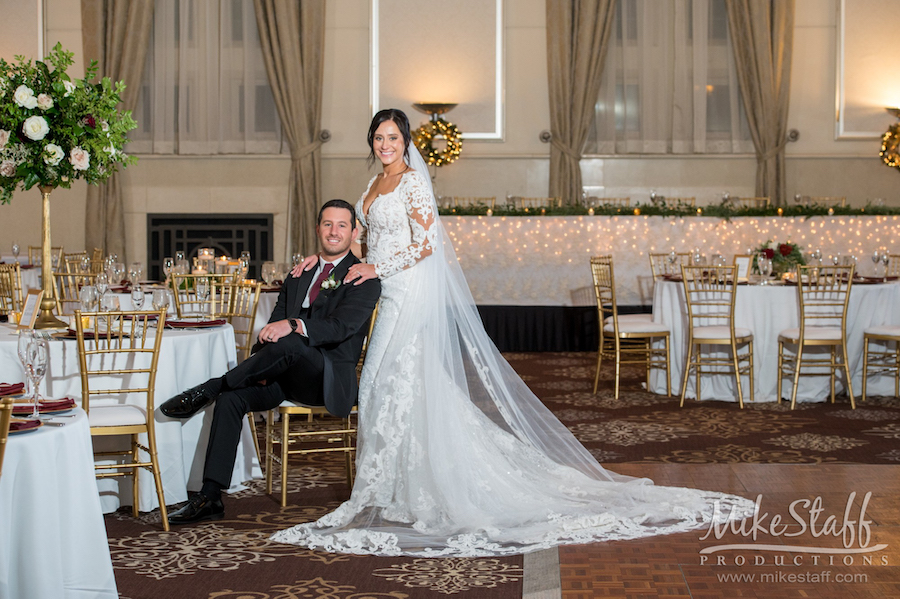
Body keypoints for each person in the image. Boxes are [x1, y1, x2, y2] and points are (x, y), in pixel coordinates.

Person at [270, 109, 754, 556]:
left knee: (388, 381)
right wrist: (330, 258)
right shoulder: (373, 183)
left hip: (409, 289)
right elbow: (357, 236)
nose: (385, 145)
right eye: (378, 138)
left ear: (406, 141)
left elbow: (426, 244)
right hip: (378, 288)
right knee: (390, 386)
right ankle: (395, 487)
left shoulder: (414, 182)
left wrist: (379, 267)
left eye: (393, 137)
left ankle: (408, 488)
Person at [160, 199, 381, 525]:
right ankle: (210, 496)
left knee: (290, 339)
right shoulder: (298, 274)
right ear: (318, 228)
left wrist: (294, 325)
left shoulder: (362, 278)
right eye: (327, 224)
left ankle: (209, 387)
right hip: (283, 374)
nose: (333, 232)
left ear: (354, 231)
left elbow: (340, 328)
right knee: (231, 399)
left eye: (342, 225)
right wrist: (261, 362)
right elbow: (270, 332)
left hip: (326, 378)